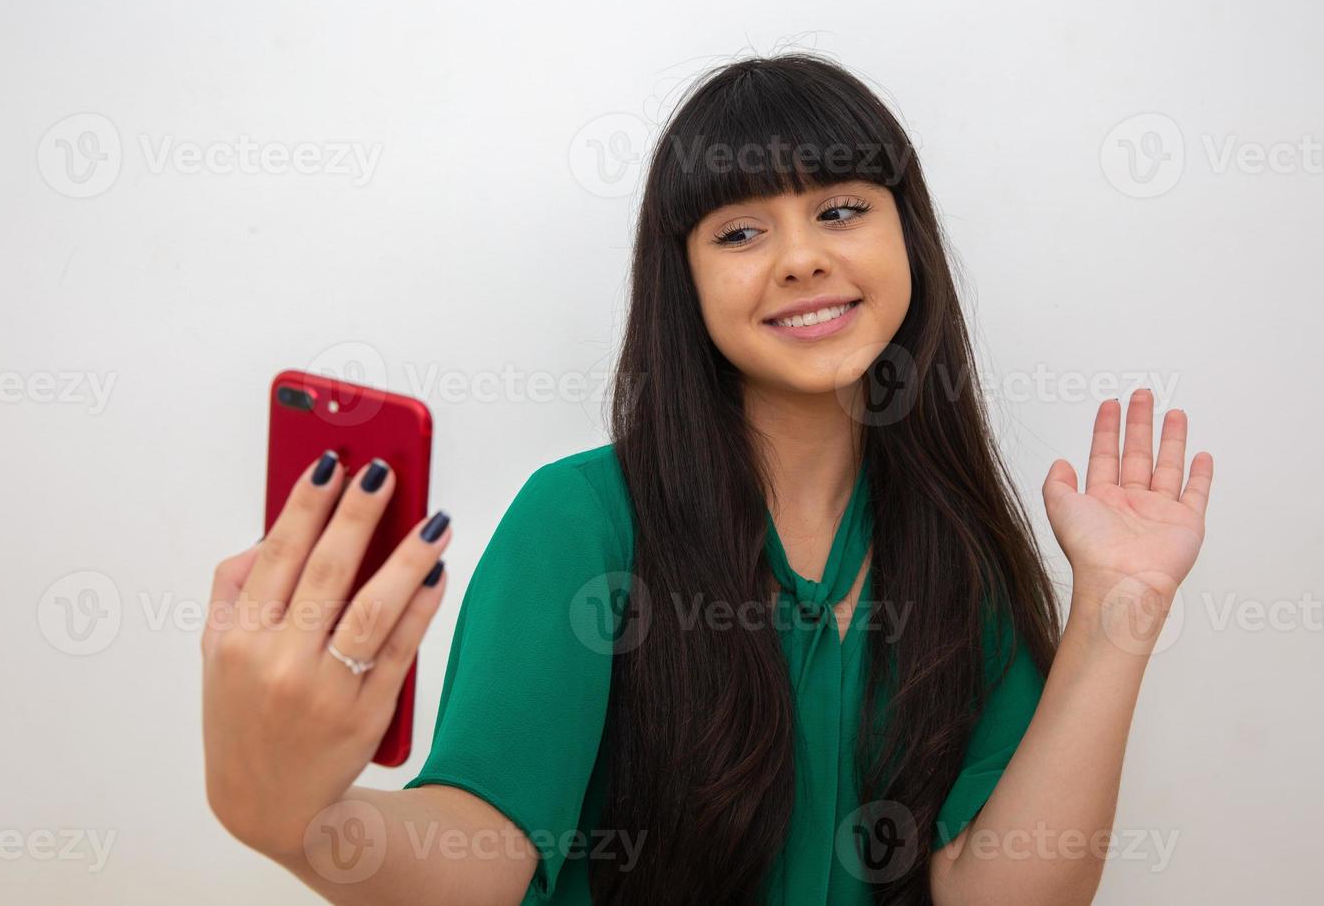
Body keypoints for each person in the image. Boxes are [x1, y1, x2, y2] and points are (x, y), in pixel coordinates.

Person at [201, 52, 1214, 905]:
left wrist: (1116, 613)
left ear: (908, 235)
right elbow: (482, 848)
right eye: (739, 230)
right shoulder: (581, 522)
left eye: (843, 207)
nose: (801, 256)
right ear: (680, 277)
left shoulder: (953, 546)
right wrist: (302, 822)